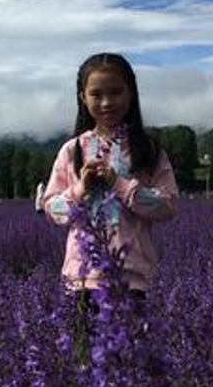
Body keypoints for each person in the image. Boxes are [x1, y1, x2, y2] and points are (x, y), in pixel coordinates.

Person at [42, 53, 178, 307]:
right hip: (83, 279)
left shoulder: (148, 150)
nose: (106, 102)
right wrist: (80, 189)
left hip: (134, 279)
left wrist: (121, 185)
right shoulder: (72, 151)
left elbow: (168, 206)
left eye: (116, 92)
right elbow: (51, 210)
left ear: (131, 93)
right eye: (96, 94)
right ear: (83, 97)